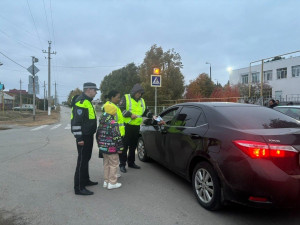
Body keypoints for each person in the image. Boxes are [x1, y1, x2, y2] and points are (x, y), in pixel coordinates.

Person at [71, 82, 99, 195]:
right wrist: (79, 138)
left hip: (88, 135)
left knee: (86, 159)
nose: (96, 92)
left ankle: (85, 180)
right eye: (94, 90)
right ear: (88, 90)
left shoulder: (87, 101)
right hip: (83, 136)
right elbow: (76, 122)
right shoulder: (81, 102)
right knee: (82, 161)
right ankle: (79, 187)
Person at [119, 84, 153, 173]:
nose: (139, 95)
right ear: (134, 92)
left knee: (133, 146)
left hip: (136, 126)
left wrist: (152, 115)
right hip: (127, 126)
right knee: (125, 146)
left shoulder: (142, 100)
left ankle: (131, 162)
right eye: (138, 93)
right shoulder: (126, 98)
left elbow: (145, 111)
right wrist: (130, 115)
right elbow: (120, 109)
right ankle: (122, 164)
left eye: (141, 93)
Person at [96, 104, 123, 189]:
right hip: (112, 148)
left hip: (103, 148)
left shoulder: (101, 122)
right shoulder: (113, 123)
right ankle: (112, 182)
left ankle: (106, 181)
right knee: (114, 164)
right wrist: (120, 148)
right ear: (112, 112)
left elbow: (97, 135)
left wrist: (100, 145)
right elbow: (117, 137)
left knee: (106, 164)